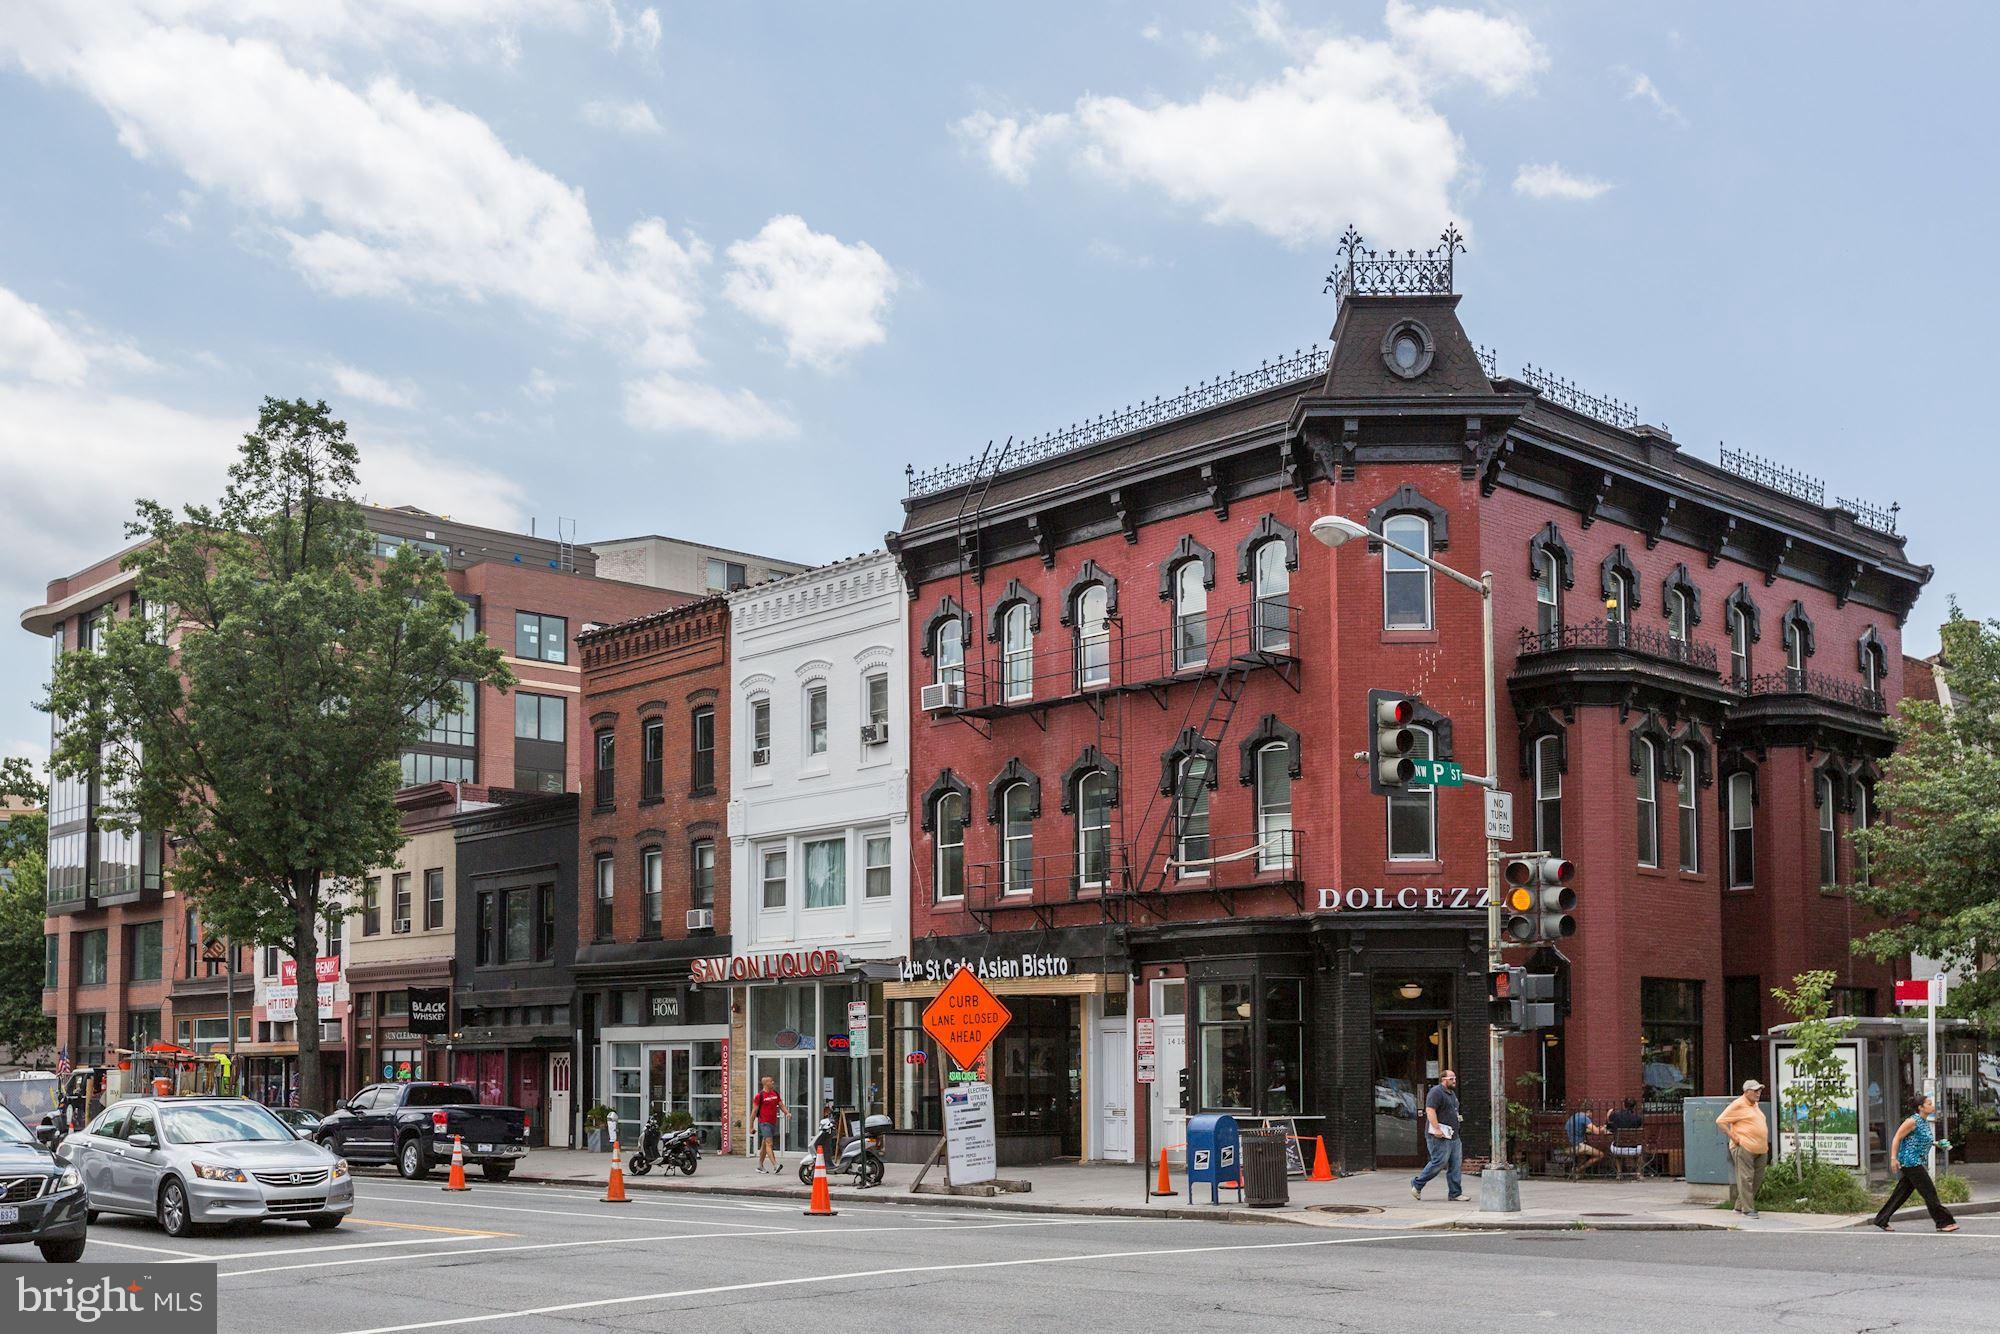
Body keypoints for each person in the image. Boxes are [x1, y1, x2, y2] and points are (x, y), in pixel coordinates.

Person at [1872, 1095, 1959, 1232]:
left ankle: (1881, 1219)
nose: (1932, 1106)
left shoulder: (1924, 1121)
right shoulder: (1912, 1121)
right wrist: (1893, 1158)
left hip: (1915, 1161)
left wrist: (1938, 1143)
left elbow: (1921, 1140)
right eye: (1929, 1104)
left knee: (1901, 1193)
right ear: (1920, 1107)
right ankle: (1943, 1222)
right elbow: (1897, 1138)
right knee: (1929, 1192)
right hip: (1910, 1162)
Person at [1715, 1078, 1769, 1218]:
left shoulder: (1754, 1105)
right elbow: (1720, 1121)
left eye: (1760, 1090)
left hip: (1760, 1149)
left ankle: (1739, 1206)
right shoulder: (1738, 1104)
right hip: (1744, 1147)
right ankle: (1748, 1209)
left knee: (1757, 1179)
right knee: (1745, 1178)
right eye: (1756, 1090)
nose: (1759, 1093)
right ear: (1747, 1092)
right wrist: (1734, 1137)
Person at [1410, 1069, 1462, 1202]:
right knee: (1439, 1162)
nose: (1454, 1080)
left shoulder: (1451, 1094)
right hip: (1438, 1136)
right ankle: (1417, 1184)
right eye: (1451, 1078)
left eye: (1454, 1078)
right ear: (1443, 1079)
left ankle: (1455, 1193)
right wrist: (1437, 1129)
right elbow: (1430, 1110)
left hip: (1453, 1136)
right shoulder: (1436, 1092)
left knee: (1455, 1164)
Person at [751, 1075, 789, 1174]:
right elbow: (754, 1111)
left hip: (773, 1122)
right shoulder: (760, 1096)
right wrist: (751, 1126)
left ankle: (760, 1166)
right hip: (764, 1123)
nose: (773, 1083)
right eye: (771, 1081)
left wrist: (787, 1113)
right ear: (766, 1083)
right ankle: (775, 1165)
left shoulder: (775, 1093)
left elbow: (781, 1105)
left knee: (764, 1144)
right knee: (769, 1143)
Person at [1606, 1098, 1647, 1179]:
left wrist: (1608, 1113)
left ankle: (1619, 1172)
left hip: (1619, 1149)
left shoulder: (1616, 1116)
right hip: (1634, 1149)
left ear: (1624, 1105)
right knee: (1640, 1149)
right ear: (1634, 1107)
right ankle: (1638, 1173)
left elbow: (1608, 1123)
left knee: (1615, 1147)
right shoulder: (1638, 1118)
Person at [1565, 1107, 1606, 1174]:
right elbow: (1597, 1132)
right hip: (1579, 1146)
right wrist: (1603, 1128)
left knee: (1583, 1156)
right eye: (1592, 1113)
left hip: (1569, 1147)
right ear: (1589, 1111)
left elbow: (1578, 1129)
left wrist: (1594, 1129)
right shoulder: (1585, 1118)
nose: (1592, 1116)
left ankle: (1579, 1174)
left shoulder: (1574, 1116)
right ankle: (1578, 1170)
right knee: (1600, 1155)